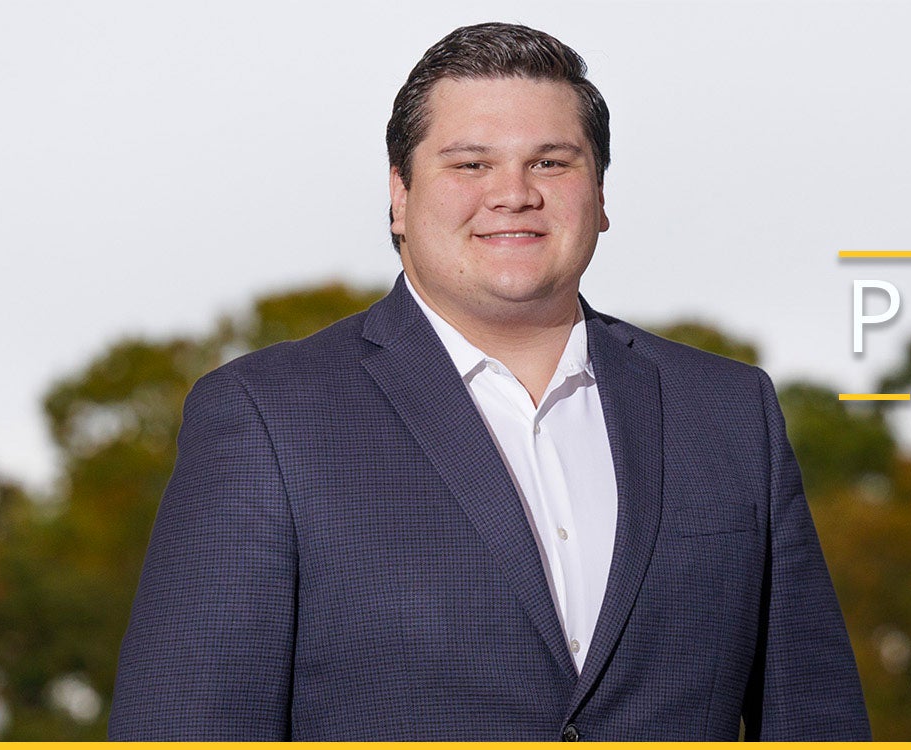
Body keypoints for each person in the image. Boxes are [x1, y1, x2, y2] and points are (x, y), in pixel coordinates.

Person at [105, 22, 869, 741]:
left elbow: (814, 721)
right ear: (400, 196)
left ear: (599, 196)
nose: (514, 193)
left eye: (551, 162)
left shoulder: (729, 412)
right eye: (470, 164)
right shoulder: (267, 416)